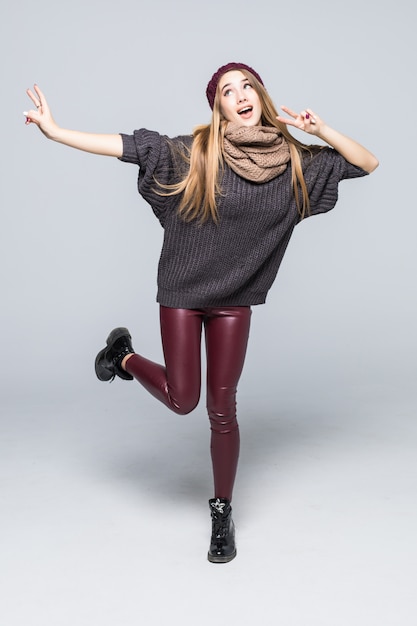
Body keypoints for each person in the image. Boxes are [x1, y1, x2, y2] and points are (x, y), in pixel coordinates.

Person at [24, 62, 378, 564]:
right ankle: (122, 356)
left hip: (235, 299)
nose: (240, 95)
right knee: (183, 398)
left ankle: (221, 510)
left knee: (222, 407)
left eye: (247, 86)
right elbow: (131, 148)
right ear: (219, 107)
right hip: (183, 293)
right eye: (227, 91)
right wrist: (57, 132)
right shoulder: (198, 153)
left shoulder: (296, 161)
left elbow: (366, 164)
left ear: (261, 95)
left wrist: (321, 131)